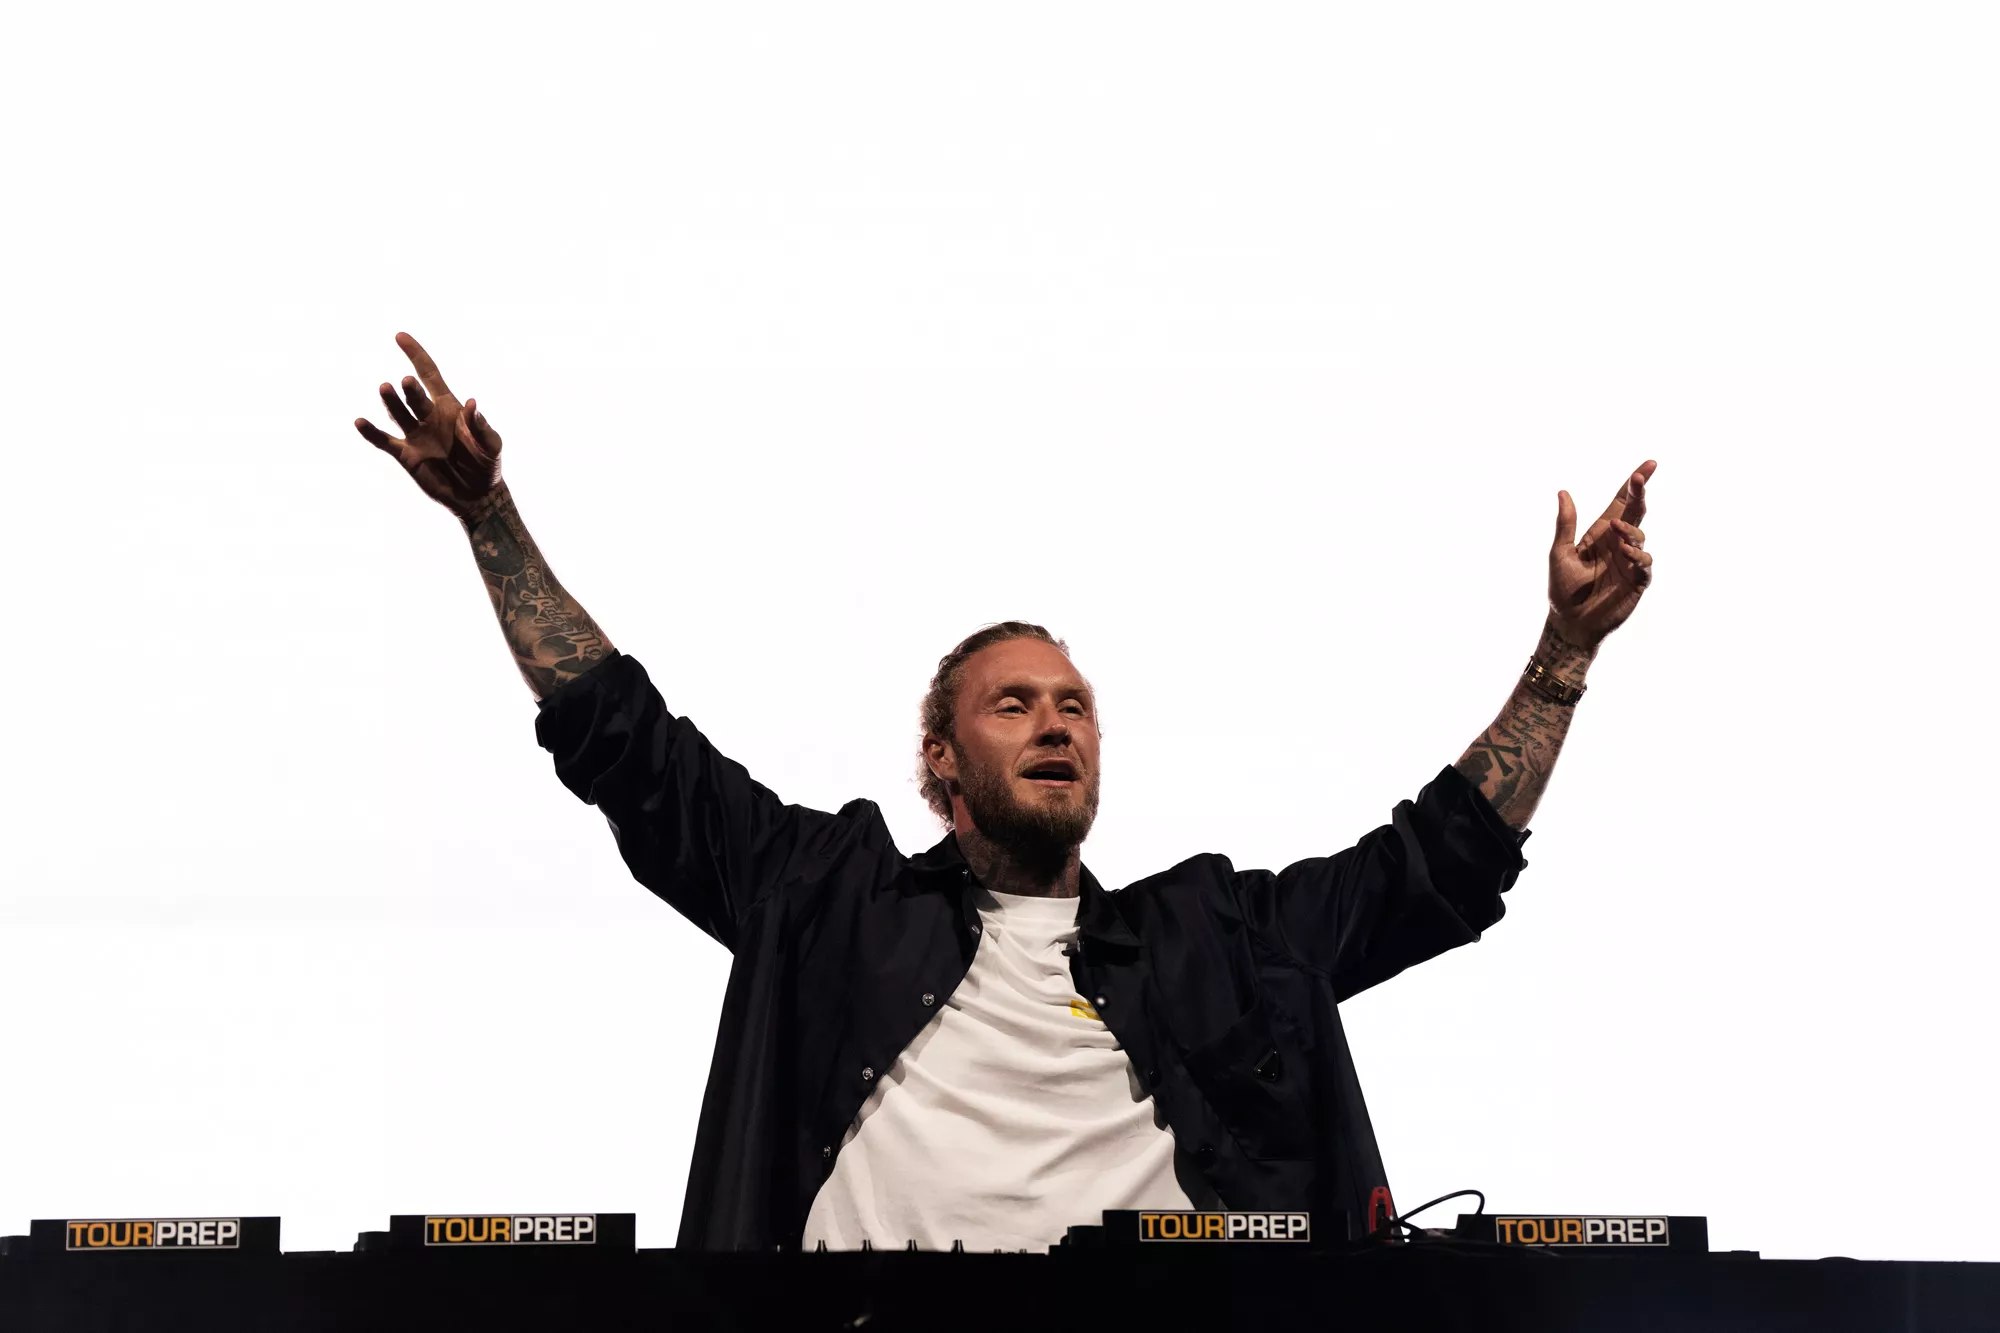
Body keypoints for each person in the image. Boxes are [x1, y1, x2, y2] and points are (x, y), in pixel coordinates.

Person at [355, 333, 1657, 1253]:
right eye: (1015, 703)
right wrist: (489, 518)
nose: (1056, 723)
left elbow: (1435, 867)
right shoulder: (824, 899)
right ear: (941, 758)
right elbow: (628, 747)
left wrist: (1565, 652)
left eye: (1075, 705)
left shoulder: (1219, 940)